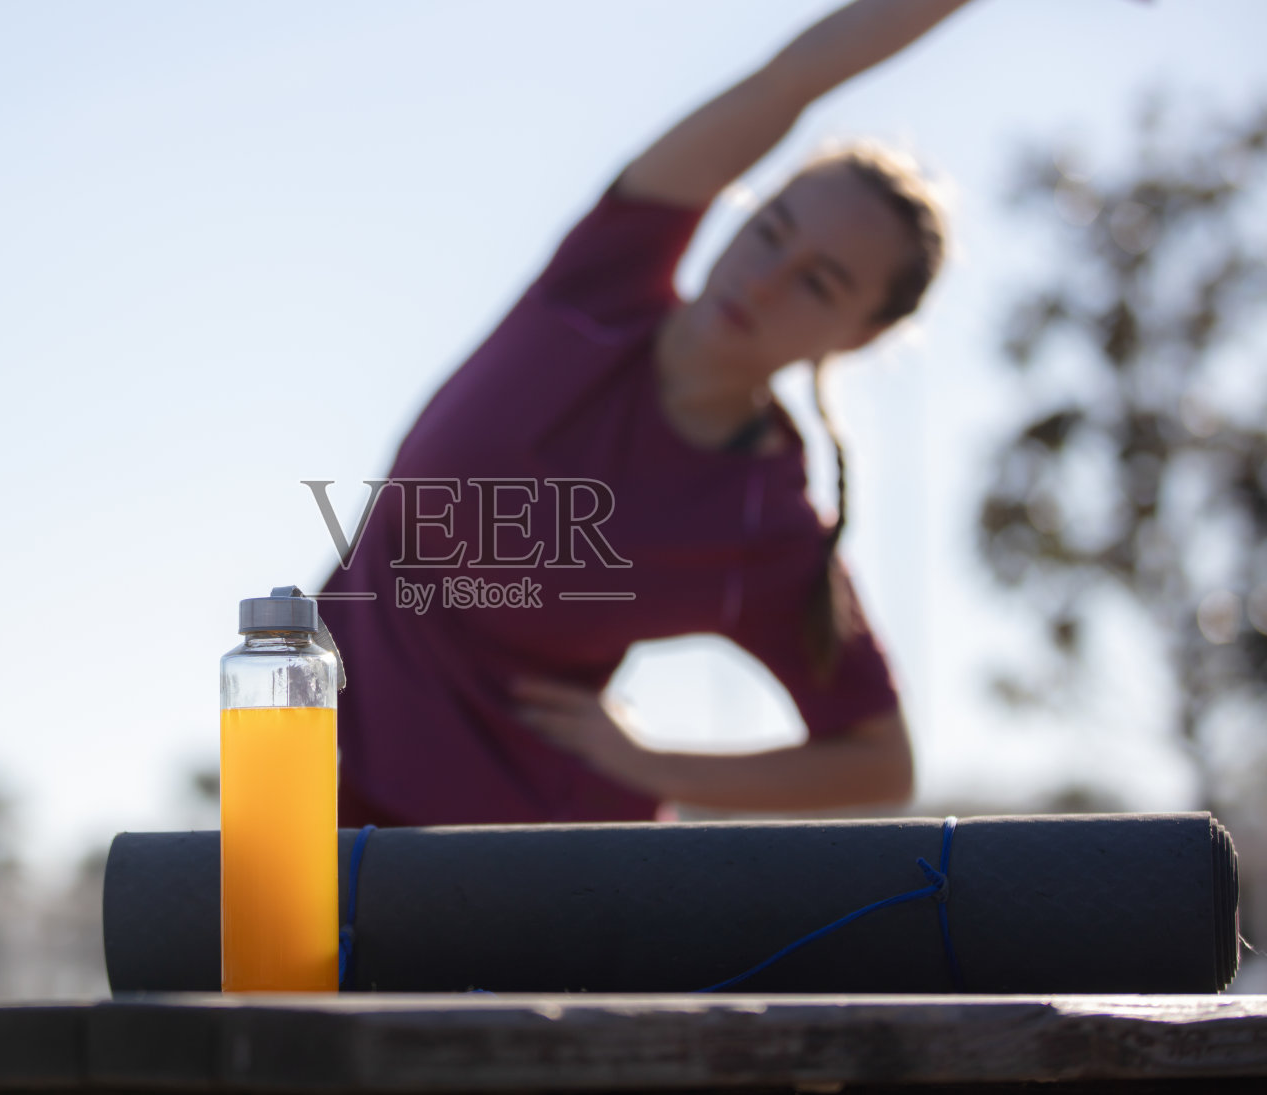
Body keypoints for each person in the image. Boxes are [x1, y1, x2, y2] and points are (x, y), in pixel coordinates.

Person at [317, 0, 970, 828]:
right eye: (772, 231)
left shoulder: (763, 527)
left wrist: (649, 763)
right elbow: (793, 79)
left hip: (514, 879)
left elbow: (881, 763)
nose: (765, 278)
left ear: (861, 334)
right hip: (315, 793)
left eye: (819, 282)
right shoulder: (606, 280)